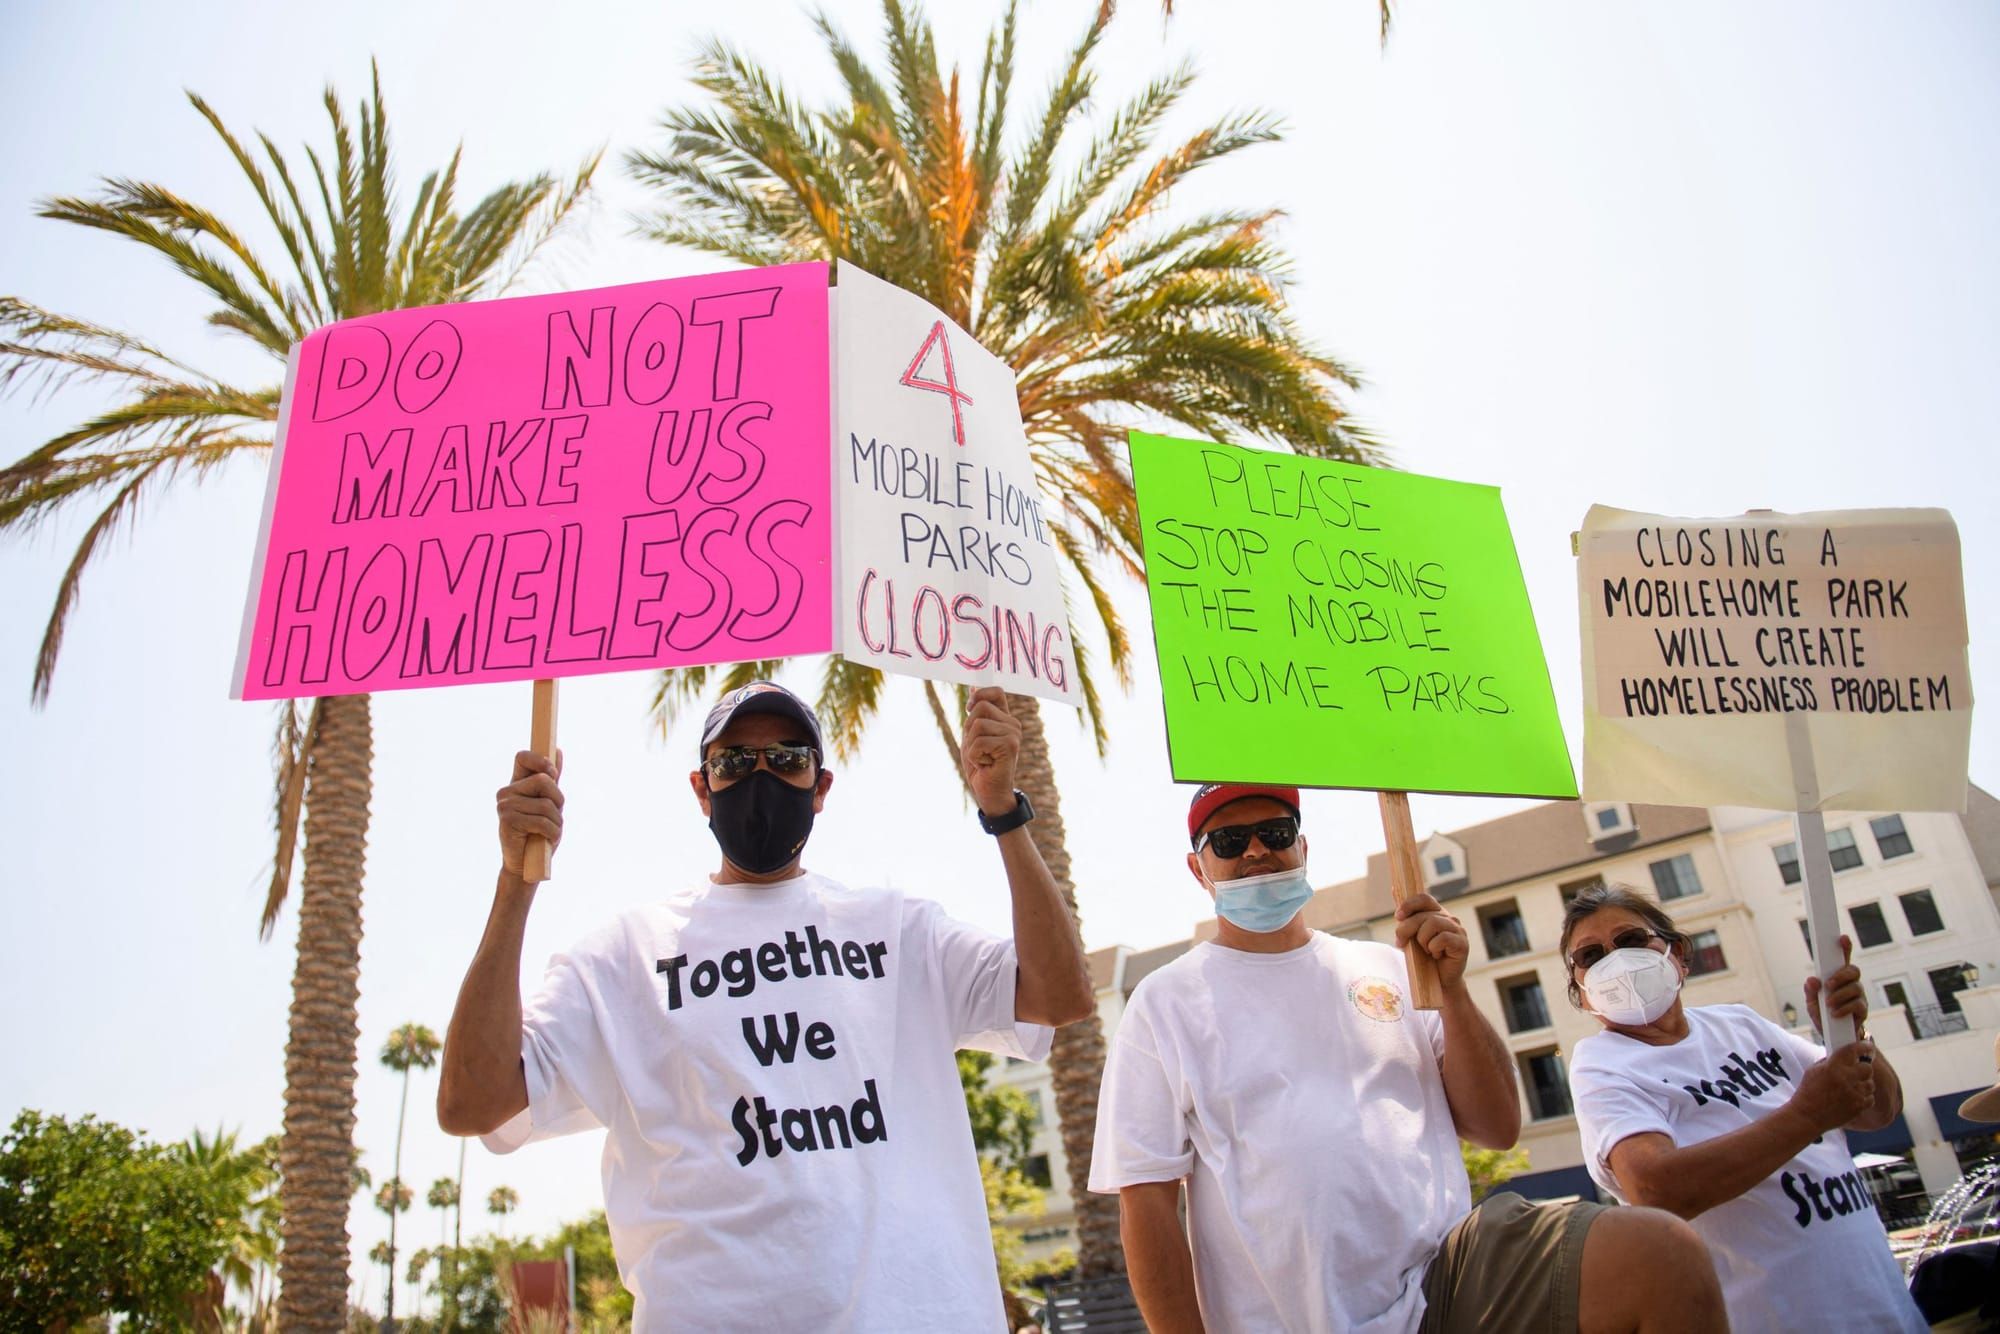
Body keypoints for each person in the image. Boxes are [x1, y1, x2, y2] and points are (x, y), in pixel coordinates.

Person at [436, 680, 1094, 1331]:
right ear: (701, 789)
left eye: (786, 759)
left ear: (821, 787)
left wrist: (1004, 811)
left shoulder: (901, 931)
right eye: (733, 762)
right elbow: (473, 1102)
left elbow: (1059, 995)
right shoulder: (623, 960)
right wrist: (514, 882)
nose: (761, 775)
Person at [1090, 783, 1726, 1333]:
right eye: (1227, 843)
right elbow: (1146, 1206)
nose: (1255, 851)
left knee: (1663, 1254)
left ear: (1303, 848)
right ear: (1199, 871)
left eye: (1274, 831)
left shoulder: (1395, 968)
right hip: (1292, 1317)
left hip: (1450, 1280)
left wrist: (1451, 988)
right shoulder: (1164, 1003)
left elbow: (1497, 1126)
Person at [1563, 881, 1924, 1333]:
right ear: (1579, 988)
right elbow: (1656, 1191)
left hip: (1888, 1315)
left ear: (1677, 954)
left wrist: (1850, 1033)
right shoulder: (1603, 1066)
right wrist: (1807, 1115)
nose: (1614, 961)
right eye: (1590, 956)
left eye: (1631, 940)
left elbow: (1876, 1111)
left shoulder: (1741, 1024)